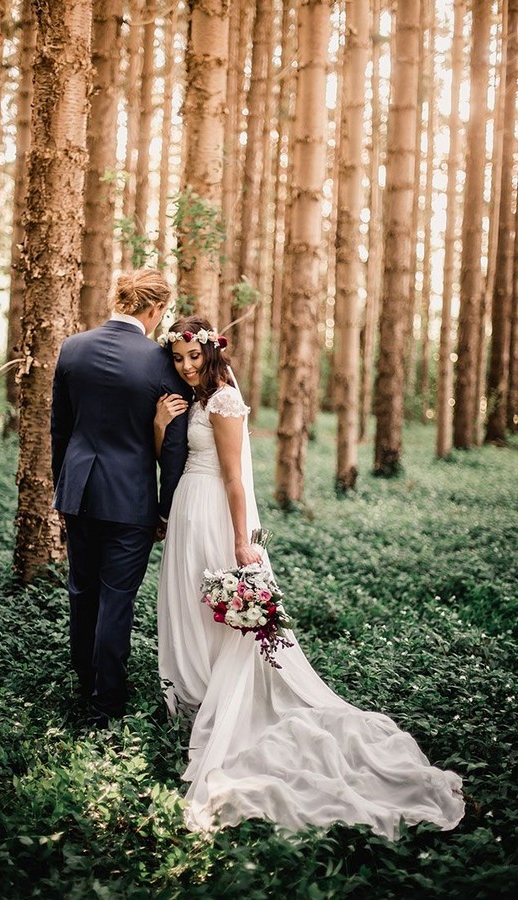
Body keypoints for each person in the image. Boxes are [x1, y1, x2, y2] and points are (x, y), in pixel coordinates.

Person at [153, 315, 465, 839]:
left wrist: (241, 541)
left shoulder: (225, 399)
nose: (186, 367)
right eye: (178, 358)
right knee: (188, 605)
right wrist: (162, 425)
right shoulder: (192, 402)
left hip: (216, 515)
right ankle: (193, 694)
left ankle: (219, 702)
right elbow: (174, 459)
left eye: (194, 357)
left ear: (212, 354)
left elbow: (235, 478)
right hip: (186, 508)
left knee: (224, 616)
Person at [51, 270, 190, 728]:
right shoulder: (159, 363)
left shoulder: (73, 348)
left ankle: (82, 677)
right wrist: (166, 508)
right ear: (154, 311)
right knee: (117, 601)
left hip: (78, 492)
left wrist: (64, 488)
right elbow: (171, 449)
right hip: (130, 500)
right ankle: (106, 704)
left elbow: (61, 430)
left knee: (81, 589)